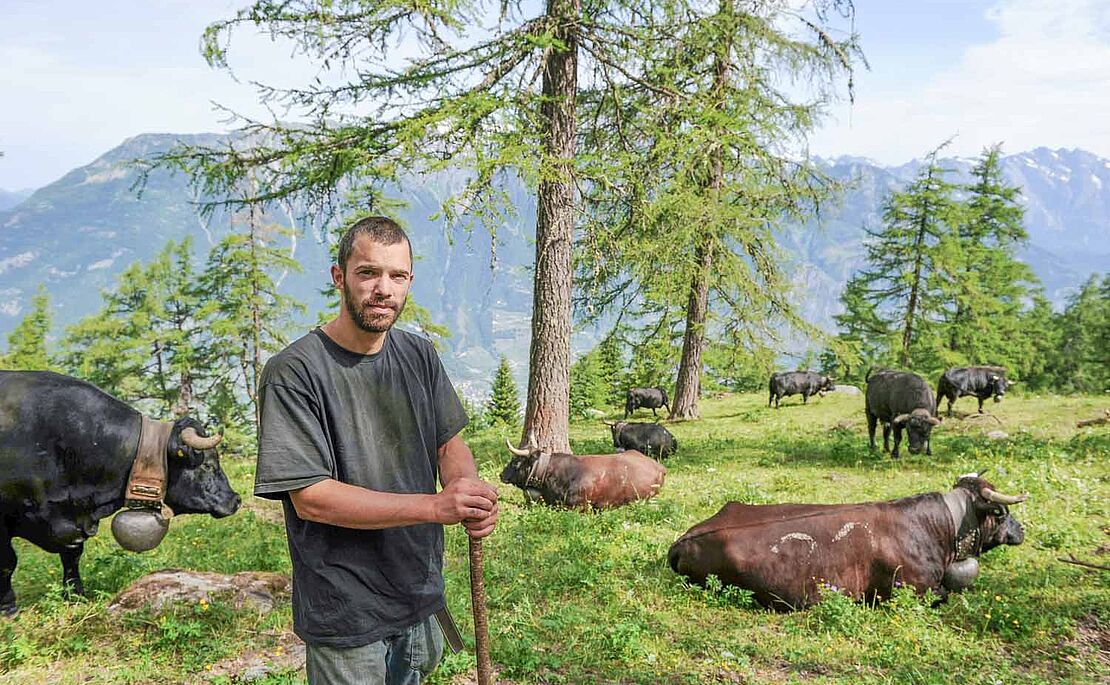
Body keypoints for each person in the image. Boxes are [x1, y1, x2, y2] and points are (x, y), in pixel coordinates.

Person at [254, 215, 499, 685]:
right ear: (338, 276)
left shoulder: (418, 355)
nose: (383, 288)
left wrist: (466, 489)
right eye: (368, 273)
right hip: (346, 611)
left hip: (419, 593)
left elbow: (448, 443)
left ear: (409, 282)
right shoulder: (294, 372)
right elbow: (312, 498)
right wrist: (435, 506)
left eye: (397, 275)